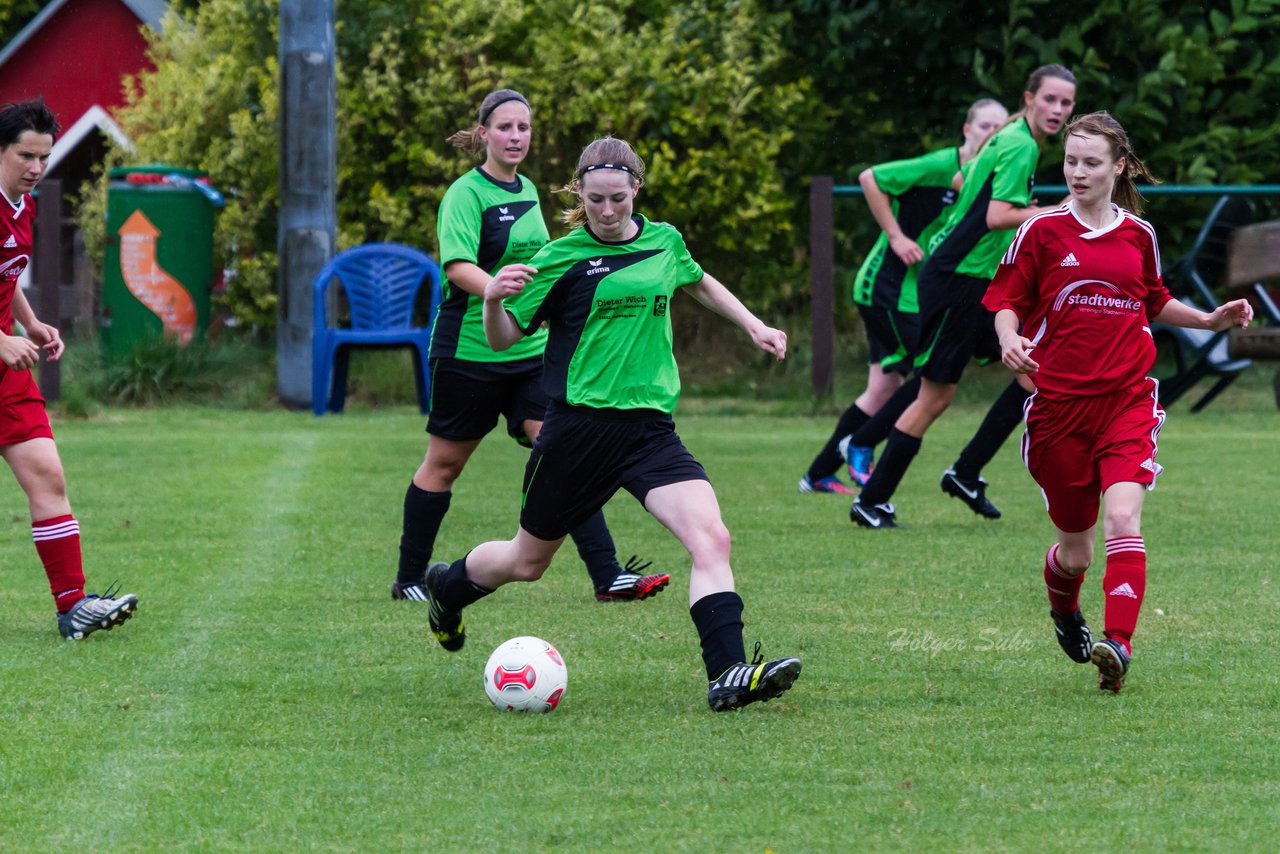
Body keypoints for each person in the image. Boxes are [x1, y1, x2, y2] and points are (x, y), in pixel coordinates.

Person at [420, 137, 802, 711]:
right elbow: (504, 340)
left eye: (617, 199)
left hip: (650, 431)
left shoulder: (663, 240)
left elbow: (696, 279)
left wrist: (753, 324)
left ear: (635, 192)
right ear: (579, 193)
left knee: (711, 538)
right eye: (595, 199)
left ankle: (727, 674)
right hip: (577, 433)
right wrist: (494, 299)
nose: (605, 210)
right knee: (528, 562)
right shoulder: (559, 259)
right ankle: (447, 590)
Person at [984, 111, 1252, 692]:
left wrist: (1207, 318)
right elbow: (1007, 300)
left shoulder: (1139, 235)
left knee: (1124, 518)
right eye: (1070, 162)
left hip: (1127, 401)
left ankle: (1120, 644)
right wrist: (1009, 338)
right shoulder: (1041, 232)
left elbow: (1152, 299)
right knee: (1076, 552)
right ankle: (1064, 609)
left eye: (1090, 163)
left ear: (1118, 166)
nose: (1076, 173)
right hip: (1058, 410)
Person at [393, 90, 669, 604]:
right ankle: (410, 577)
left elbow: (545, 266)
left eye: (524, 127)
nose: (516, 136)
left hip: (525, 355)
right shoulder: (465, 194)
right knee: (445, 464)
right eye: (505, 127)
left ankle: (607, 575)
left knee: (565, 451)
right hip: (469, 352)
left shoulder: (527, 190)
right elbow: (456, 267)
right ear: (483, 135)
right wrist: (495, 292)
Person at [850, 64, 1077, 529]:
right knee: (935, 397)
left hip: (975, 280)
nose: (1058, 110)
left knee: (1033, 369)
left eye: (1066, 102)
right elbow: (997, 215)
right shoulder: (1021, 144)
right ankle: (872, 500)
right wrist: (1057, 211)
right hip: (958, 281)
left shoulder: (1010, 136)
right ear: (1029, 98)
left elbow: (965, 183)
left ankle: (966, 472)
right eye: (1050, 99)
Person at [799, 98, 1008, 495]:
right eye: (985, 126)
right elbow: (870, 178)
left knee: (882, 389)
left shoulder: (987, 177)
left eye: (999, 129)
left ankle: (819, 473)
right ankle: (861, 443)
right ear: (967, 130)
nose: (991, 135)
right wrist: (896, 236)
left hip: (920, 295)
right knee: (931, 371)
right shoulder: (940, 166)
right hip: (888, 288)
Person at [0, 99, 138, 639]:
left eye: (44, 157)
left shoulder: (22, 206)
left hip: (8, 374)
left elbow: (6, 281)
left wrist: (28, 324)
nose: (36, 167)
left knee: (48, 476)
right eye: (24, 156)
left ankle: (74, 607)